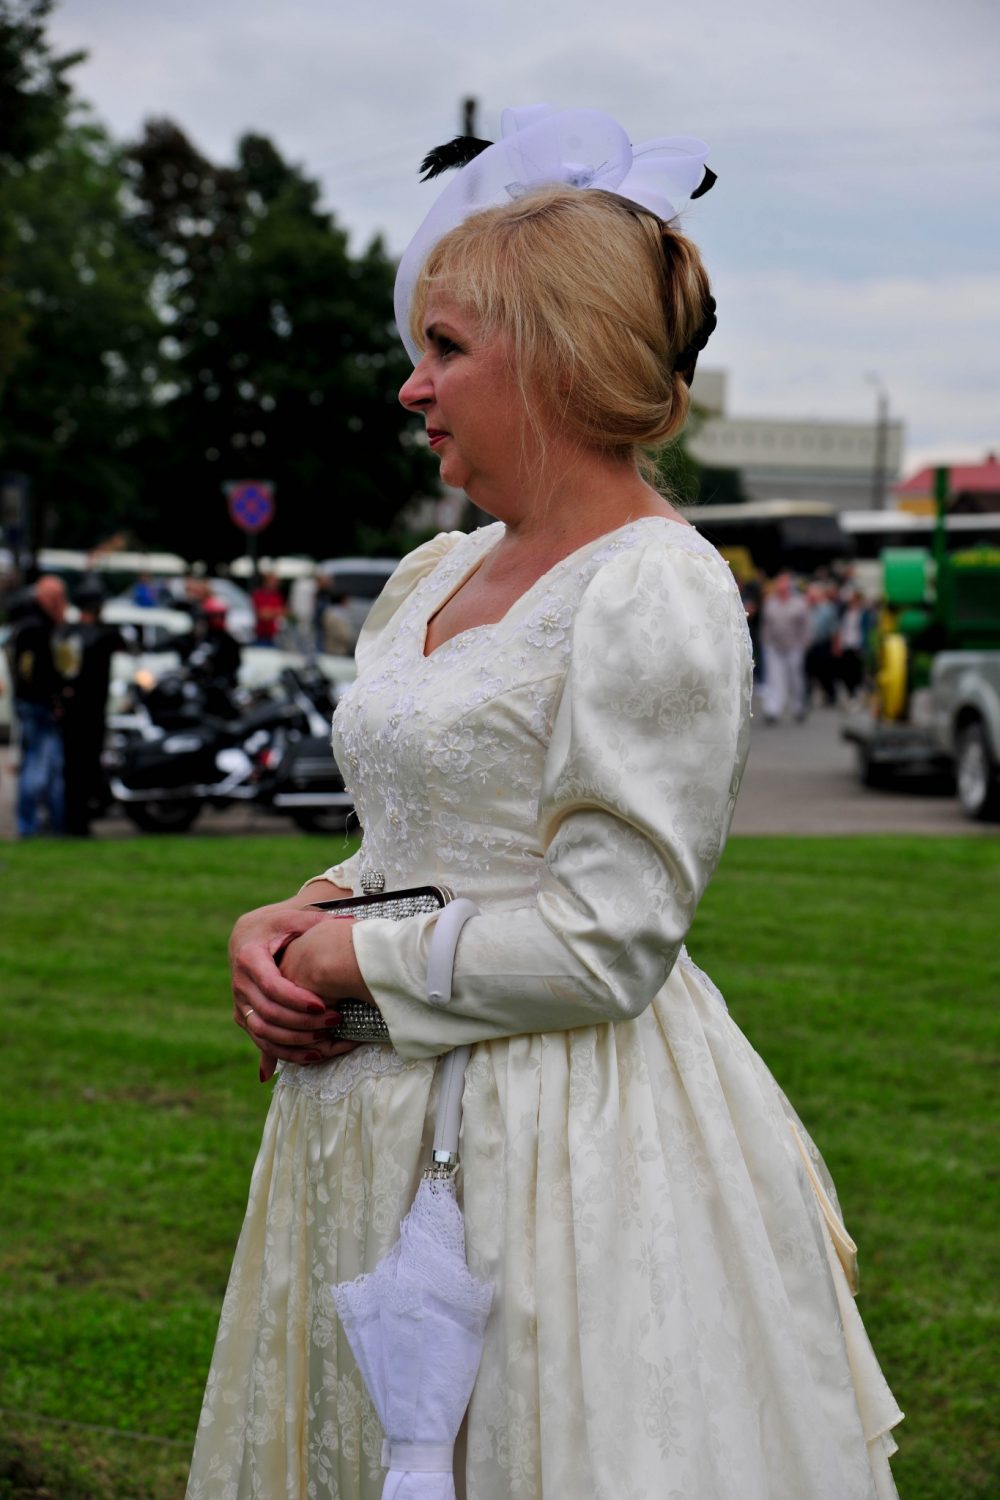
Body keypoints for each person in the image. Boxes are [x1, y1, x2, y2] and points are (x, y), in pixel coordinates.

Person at [187, 106, 901, 1500]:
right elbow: (425, 829)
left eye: (446, 348)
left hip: (553, 1144)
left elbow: (609, 937)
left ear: (560, 354)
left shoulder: (654, 585)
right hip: (360, 1129)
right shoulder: (437, 574)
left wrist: (344, 963)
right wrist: (299, 910)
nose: (413, 387)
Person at [59, 577, 129, 836]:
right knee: (87, 767)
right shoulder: (104, 635)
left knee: (72, 768)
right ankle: (82, 820)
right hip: (92, 711)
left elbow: (64, 673)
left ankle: (71, 819)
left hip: (71, 711)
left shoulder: (67, 633)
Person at [10, 574, 68, 837]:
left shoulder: (26, 624)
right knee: (39, 765)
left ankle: (47, 822)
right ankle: (30, 824)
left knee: (43, 764)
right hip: (38, 705)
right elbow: (37, 673)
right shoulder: (37, 628)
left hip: (30, 703)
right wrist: (53, 698)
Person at [760, 570, 811, 723]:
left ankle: (798, 706)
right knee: (774, 677)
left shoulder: (799, 603)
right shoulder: (770, 602)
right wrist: (766, 643)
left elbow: (805, 626)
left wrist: (804, 644)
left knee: (795, 677)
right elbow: (766, 624)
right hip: (774, 646)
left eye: (784, 583)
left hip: (794, 646)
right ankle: (772, 709)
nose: (781, 586)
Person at [251, 570, 286, 645]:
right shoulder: (258, 595)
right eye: (273, 581)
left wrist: (269, 612)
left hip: (275, 635)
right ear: (266, 581)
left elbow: (282, 612)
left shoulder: (277, 596)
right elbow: (262, 615)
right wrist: (274, 612)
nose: (276, 583)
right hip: (261, 635)